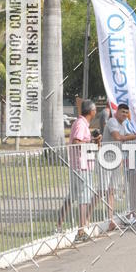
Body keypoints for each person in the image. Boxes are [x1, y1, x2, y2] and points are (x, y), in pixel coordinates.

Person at [58, 99, 97, 240]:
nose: (95, 112)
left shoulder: (81, 123)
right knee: (84, 197)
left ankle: (59, 224)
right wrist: (90, 142)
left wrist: (93, 141)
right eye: (95, 110)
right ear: (91, 111)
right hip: (81, 166)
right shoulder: (81, 124)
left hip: (81, 165)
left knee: (73, 196)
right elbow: (76, 141)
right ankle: (81, 230)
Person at [99, 103, 136, 230]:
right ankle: (85, 221)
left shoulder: (122, 125)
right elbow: (118, 137)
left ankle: (111, 220)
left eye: (126, 113)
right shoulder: (112, 121)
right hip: (106, 159)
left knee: (111, 191)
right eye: (122, 112)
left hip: (116, 160)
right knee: (101, 191)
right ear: (116, 112)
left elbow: (129, 136)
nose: (124, 114)